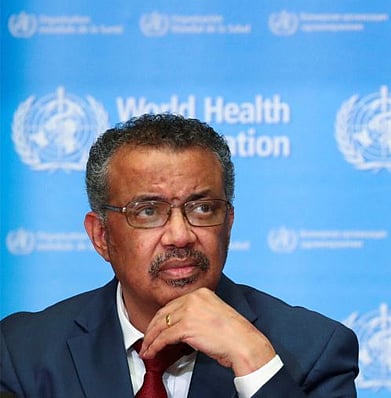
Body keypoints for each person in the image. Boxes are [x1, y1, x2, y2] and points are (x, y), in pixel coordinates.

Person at [0, 113, 359, 397]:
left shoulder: (313, 349)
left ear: (228, 224)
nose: (180, 235)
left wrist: (255, 364)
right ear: (101, 236)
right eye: (147, 211)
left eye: (203, 209)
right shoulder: (22, 352)